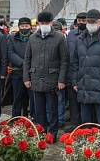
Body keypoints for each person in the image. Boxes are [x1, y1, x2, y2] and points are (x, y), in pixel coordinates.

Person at [23, 11, 69, 143]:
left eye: (46, 23)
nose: (44, 26)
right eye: (41, 23)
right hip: (36, 78)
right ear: (38, 24)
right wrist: (26, 78)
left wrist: (61, 80)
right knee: (39, 109)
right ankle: (41, 131)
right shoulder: (32, 38)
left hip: (52, 80)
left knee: (53, 108)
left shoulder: (59, 38)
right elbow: (27, 59)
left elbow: (64, 60)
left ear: (51, 23)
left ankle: (53, 132)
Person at [8, 17, 35, 121]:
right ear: (19, 27)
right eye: (22, 26)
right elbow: (10, 53)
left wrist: (28, 65)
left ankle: (33, 118)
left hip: (31, 73)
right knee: (17, 97)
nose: (24, 28)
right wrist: (22, 63)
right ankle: (16, 118)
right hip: (17, 71)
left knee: (32, 98)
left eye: (26, 26)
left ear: (30, 27)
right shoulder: (12, 38)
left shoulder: (34, 38)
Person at [65, 12, 87, 133]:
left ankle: (85, 125)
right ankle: (75, 124)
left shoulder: (90, 35)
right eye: (79, 20)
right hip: (71, 72)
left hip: (86, 72)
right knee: (73, 102)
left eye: (84, 21)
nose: (81, 23)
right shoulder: (71, 35)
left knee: (85, 102)